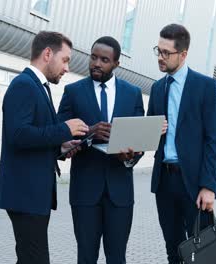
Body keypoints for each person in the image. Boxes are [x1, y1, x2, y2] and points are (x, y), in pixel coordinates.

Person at [0, 31, 89, 264]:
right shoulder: (24, 85)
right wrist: (64, 130)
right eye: (65, 60)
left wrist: (62, 145)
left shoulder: (38, 86)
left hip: (33, 194)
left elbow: (34, 135)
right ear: (48, 53)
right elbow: (17, 135)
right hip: (25, 194)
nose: (67, 68)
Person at [57, 36, 144, 264]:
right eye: (93, 57)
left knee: (117, 258)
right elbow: (59, 137)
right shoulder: (73, 92)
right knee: (86, 257)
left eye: (104, 59)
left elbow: (140, 141)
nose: (96, 63)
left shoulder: (132, 93)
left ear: (116, 63)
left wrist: (129, 157)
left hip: (120, 193)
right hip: (85, 192)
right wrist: (89, 134)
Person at [147, 24, 216, 264]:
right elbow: (148, 135)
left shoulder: (206, 87)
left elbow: (213, 140)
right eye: (158, 50)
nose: (160, 57)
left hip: (194, 183)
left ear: (183, 54)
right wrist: (149, 133)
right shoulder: (157, 88)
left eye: (166, 53)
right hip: (165, 182)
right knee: (174, 249)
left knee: (204, 253)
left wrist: (208, 186)